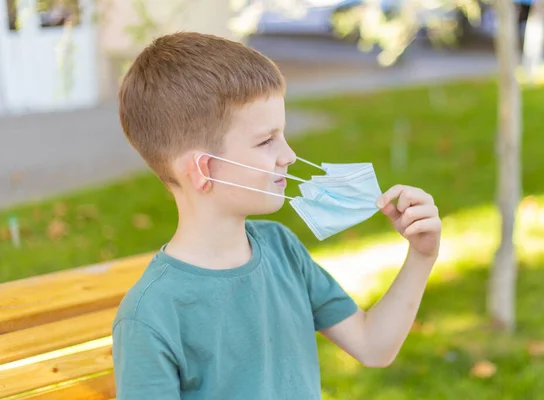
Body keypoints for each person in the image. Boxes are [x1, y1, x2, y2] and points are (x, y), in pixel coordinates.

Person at [112, 31, 441, 400]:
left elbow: (373, 346)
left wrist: (421, 255)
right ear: (204, 170)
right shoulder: (152, 315)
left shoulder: (282, 249)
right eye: (266, 141)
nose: (289, 155)